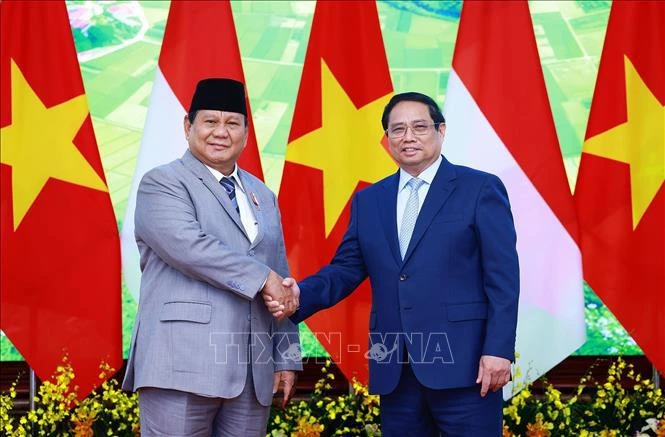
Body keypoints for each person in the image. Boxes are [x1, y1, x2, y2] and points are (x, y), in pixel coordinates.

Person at [272, 92, 519, 436]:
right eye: (397, 129)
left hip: (466, 368)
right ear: (387, 139)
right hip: (396, 372)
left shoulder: (479, 188)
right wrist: (299, 293)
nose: (408, 137)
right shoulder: (370, 200)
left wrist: (498, 350)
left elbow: (503, 279)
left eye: (419, 127)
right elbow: (345, 269)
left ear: (441, 130)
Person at [122, 78, 302, 437]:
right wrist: (262, 278)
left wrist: (285, 356)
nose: (221, 132)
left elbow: (280, 277)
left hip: (253, 372)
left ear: (246, 134)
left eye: (232, 123)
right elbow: (190, 247)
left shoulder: (262, 195)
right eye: (210, 122)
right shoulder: (163, 183)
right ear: (188, 126)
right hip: (181, 365)